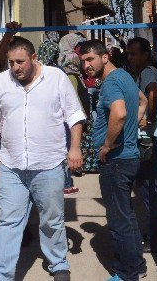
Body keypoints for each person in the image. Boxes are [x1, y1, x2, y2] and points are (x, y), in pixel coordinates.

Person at [0, 36, 86, 281]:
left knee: (52, 219)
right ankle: (2, 275)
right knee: (8, 221)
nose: (15, 67)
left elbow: (74, 115)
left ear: (34, 58)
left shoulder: (56, 78)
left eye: (20, 62)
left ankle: (58, 263)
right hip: (11, 165)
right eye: (11, 63)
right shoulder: (0, 83)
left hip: (48, 164)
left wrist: (75, 148)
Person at [79, 40, 148, 281]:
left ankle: (127, 274)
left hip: (116, 161)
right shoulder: (126, 77)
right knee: (127, 215)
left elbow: (119, 113)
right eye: (83, 60)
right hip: (129, 158)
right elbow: (143, 101)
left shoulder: (110, 84)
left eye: (91, 59)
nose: (86, 65)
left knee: (118, 221)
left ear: (105, 57)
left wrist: (107, 145)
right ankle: (138, 265)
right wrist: (138, 121)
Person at [127, 37, 157, 255]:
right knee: (148, 191)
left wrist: (148, 118)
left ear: (145, 55)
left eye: (133, 54)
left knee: (150, 191)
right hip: (149, 141)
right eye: (128, 54)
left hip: (149, 142)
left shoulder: (148, 71)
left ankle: (155, 239)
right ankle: (153, 236)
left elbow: (154, 92)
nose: (130, 58)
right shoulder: (144, 72)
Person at [57, 33, 89, 195]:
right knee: (67, 151)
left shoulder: (71, 74)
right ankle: (66, 183)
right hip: (69, 123)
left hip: (70, 122)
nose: (80, 56)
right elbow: (73, 104)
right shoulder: (69, 76)